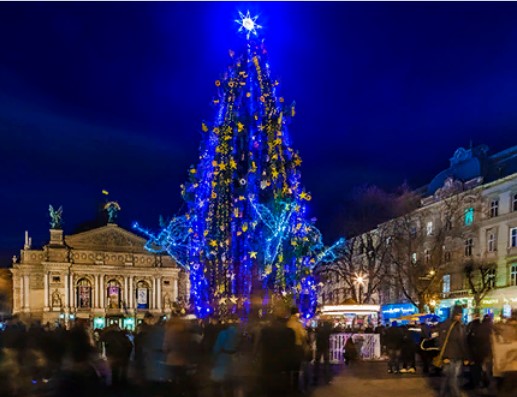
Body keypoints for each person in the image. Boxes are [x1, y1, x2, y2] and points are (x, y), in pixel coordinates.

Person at [436, 305, 470, 397]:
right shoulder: (447, 325)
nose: (460, 316)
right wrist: (445, 356)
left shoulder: (461, 326)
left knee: (447, 377)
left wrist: (466, 357)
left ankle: (442, 394)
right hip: (449, 356)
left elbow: (463, 342)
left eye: (461, 314)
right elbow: (441, 341)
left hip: (457, 356)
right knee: (453, 378)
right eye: (458, 314)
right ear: (454, 314)